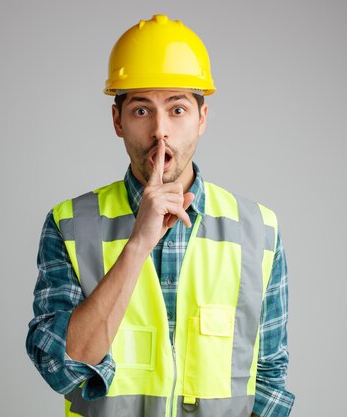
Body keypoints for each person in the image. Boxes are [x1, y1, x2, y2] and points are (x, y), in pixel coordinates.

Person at [26, 14, 295, 417]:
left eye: (178, 109)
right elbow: (62, 367)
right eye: (140, 111)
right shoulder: (70, 225)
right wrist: (137, 244)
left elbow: (269, 382)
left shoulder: (259, 230)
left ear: (202, 119)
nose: (160, 132)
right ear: (117, 121)